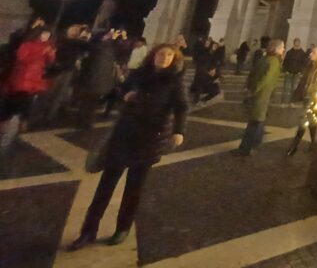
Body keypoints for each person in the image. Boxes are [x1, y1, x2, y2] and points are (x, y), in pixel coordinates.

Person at [67, 44, 187, 250]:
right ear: (153, 56)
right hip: (124, 135)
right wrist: (124, 96)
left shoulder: (175, 82)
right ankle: (88, 232)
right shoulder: (138, 74)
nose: (164, 58)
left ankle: (122, 228)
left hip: (149, 140)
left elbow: (181, 107)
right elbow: (119, 91)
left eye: (169, 55)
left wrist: (179, 131)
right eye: (161, 54)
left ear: (174, 60)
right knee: (104, 187)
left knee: (134, 190)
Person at [0, 27, 56, 155]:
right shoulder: (27, 45)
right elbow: (22, 58)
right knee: (11, 104)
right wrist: (39, 54)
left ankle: (20, 127)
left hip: (33, 82)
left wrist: (50, 53)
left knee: (26, 104)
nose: (46, 36)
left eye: (48, 34)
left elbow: (50, 62)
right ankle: (5, 127)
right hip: (20, 79)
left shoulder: (47, 47)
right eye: (44, 33)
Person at [234, 39, 284, 156]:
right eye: (282, 47)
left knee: (256, 122)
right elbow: (265, 79)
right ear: (276, 49)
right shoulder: (273, 62)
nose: (283, 50)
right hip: (262, 96)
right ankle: (249, 147)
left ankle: (250, 146)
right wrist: (254, 90)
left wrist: (249, 88)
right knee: (256, 122)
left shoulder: (265, 59)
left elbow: (255, 74)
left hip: (260, 96)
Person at [286, 46, 317, 155]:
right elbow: (304, 81)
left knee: (303, 121)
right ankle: (314, 143)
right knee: (311, 121)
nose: (310, 55)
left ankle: (294, 146)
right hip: (307, 96)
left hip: (315, 98)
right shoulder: (311, 66)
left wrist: (315, 90)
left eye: (313, 53)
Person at [76, 32, 117, 130]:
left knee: (88, 103)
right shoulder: (106, 49)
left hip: (94, 80)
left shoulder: (98, 48)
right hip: (96, 80)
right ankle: (85, 122)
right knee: (90, 103)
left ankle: (84, 122)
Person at [282, 39, 308, 103]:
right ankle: (284, 101)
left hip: (297, 73)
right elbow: (285, 62)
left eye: (297, 43)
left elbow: (304, 63)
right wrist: (285, 70)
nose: (296, 44)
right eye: (295, 43)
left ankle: (291, 102)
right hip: (289, 72)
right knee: (286, 88)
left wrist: (300, 71)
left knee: (293, 89)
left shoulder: (302, 53)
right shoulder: (289, 52)